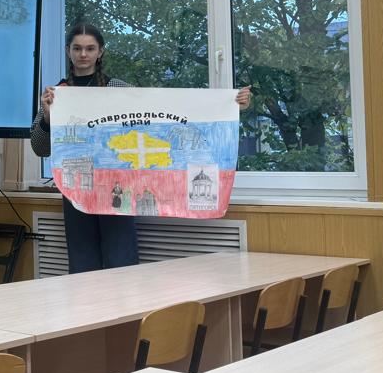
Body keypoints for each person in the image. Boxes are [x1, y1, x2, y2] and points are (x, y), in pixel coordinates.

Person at [30, 21, 250, 273]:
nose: (83, 54)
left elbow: (160, 114)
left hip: (119, 186)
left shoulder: (120, 89)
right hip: (77, 190)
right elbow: (39, 148)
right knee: (82, 264)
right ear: (68, 50)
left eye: (90, 48)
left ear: (100, 51)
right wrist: (48, 118)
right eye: (77, 48)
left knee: (121, 261)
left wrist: (228, 105)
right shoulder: (56, 95)